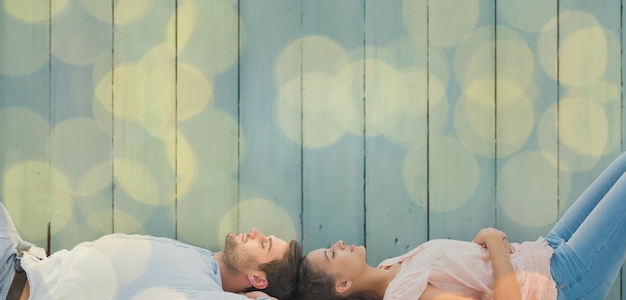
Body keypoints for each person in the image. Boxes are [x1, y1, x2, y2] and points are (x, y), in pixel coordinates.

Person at [298, 151, 626, 300]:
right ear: (341, 286)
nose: (338, 244)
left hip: (546, 251)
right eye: (331, 254)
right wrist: (493, 240)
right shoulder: (403, 295)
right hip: (564, 281)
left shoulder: (390, 267)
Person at [0, 203, 302, 300]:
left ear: (258, 279)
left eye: (264, 244)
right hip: (21, 258)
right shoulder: (202, 261)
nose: (256, 232)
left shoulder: (203, 292)